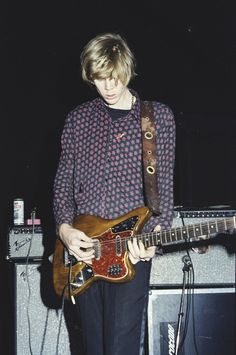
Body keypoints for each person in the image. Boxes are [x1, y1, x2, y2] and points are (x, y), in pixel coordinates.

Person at [53, 32, 175, 355]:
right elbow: (63, 182)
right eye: (99, 78)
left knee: (121, 348)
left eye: (113, 77)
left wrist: (151, 241)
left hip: (129, 251)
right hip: (85, 253)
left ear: (127, 69)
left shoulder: (156, 118)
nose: (107, 86)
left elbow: (162, 195)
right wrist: (65, 229)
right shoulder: (78, 120)